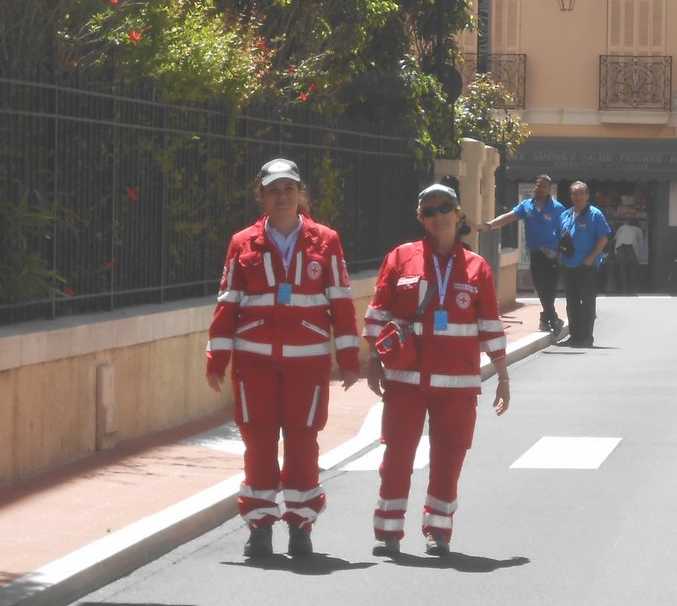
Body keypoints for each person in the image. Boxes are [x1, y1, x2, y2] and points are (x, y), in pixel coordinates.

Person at [206, 158, 361, 562]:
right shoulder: (242, 243)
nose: (282, 197)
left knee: (302, 444)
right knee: (257, 444)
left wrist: (348, 358)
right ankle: (259, 528)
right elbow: (227, 304)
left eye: (289, 189)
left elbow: (341, 303)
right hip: (253, 363)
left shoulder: (326, 241)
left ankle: (300, 527)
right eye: (273, 190)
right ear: (262, 196)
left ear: (300, 193)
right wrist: (216, 357)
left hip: (307, 366)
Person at [363, 183, 510, 558]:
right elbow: (379, 312)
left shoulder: (478, 268)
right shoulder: (400, 258)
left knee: (450, 456)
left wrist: (503, 376)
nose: (438, 215)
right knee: (398, 455)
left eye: (445, 207)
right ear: (421, 219)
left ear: (459, 213)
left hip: (458, 385)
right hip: (406, 380)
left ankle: (438, 529)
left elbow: (490, 325)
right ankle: (388, 529)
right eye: (429, 210)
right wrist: (373, 361)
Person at [478, 174, 565, 333]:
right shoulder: (526, 206)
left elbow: (565, 232)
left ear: (549, 189)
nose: (539, 188)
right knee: (540, 287)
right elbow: (508, 217)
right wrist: (490, 225)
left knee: (550, 289)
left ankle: (546, 318)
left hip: (553, 254)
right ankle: (553, 319)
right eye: (537, 185)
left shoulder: (558, 208)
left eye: (543, 186)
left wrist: (562, 254)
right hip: (537, 254)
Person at [557, 181, 612, 347]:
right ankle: (575, 337)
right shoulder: (565, 215)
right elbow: (559, 237)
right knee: (571, 303)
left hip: (587, 265)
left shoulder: (595, 214)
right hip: (568, 265)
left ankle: (587, 337)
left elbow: (604, 237)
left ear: (587, 196)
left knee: (588, 302)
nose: (578, 197)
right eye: (574, 193)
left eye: (581, 193)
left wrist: (593, 256)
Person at [611, 219, 645, 295]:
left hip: (620, 249)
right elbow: (641, 245)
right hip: (632, 250)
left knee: (623, 271)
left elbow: (615, 238)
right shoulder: (639, 230)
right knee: (633, 271)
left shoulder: (622, 227)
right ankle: (633, 290)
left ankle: (624, 291)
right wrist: (639, 258)